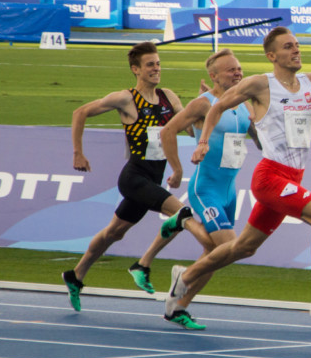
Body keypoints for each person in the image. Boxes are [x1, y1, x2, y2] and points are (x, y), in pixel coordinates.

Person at [164, 27, 311, 324]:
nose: (296, 50)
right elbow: (217, 107)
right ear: (271, 56)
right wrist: (203, 142)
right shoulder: (260, 84)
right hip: (270, 177)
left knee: (244, 247)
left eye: (297, 45)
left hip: (293, 177)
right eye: (288, 47)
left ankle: (185, 276)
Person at [63, 41, 208, 312]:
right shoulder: (126, 99)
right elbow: (79, 112)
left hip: (153, 179)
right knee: (181, 215)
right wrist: (77, 153)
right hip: (134, 177)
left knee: (114, 233)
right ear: (136, 69)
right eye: (150, 65)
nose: (156, 69)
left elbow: (190, 130)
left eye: (158, 64)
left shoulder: (169, 97)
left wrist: (203, 106)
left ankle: (76, 275)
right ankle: (143, 264)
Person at [157, 49, 259, 330]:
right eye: (231, 70)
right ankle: (183, 273)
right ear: (214, 76)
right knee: (229, 247)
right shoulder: (204, 103)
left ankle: (178, 307)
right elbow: (167, 131)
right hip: (206, 189)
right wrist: (177, 169)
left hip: (229, 191)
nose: (238, 73)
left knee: (214, 254)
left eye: (239, 69)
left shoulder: (243, 103)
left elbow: (259, 141)